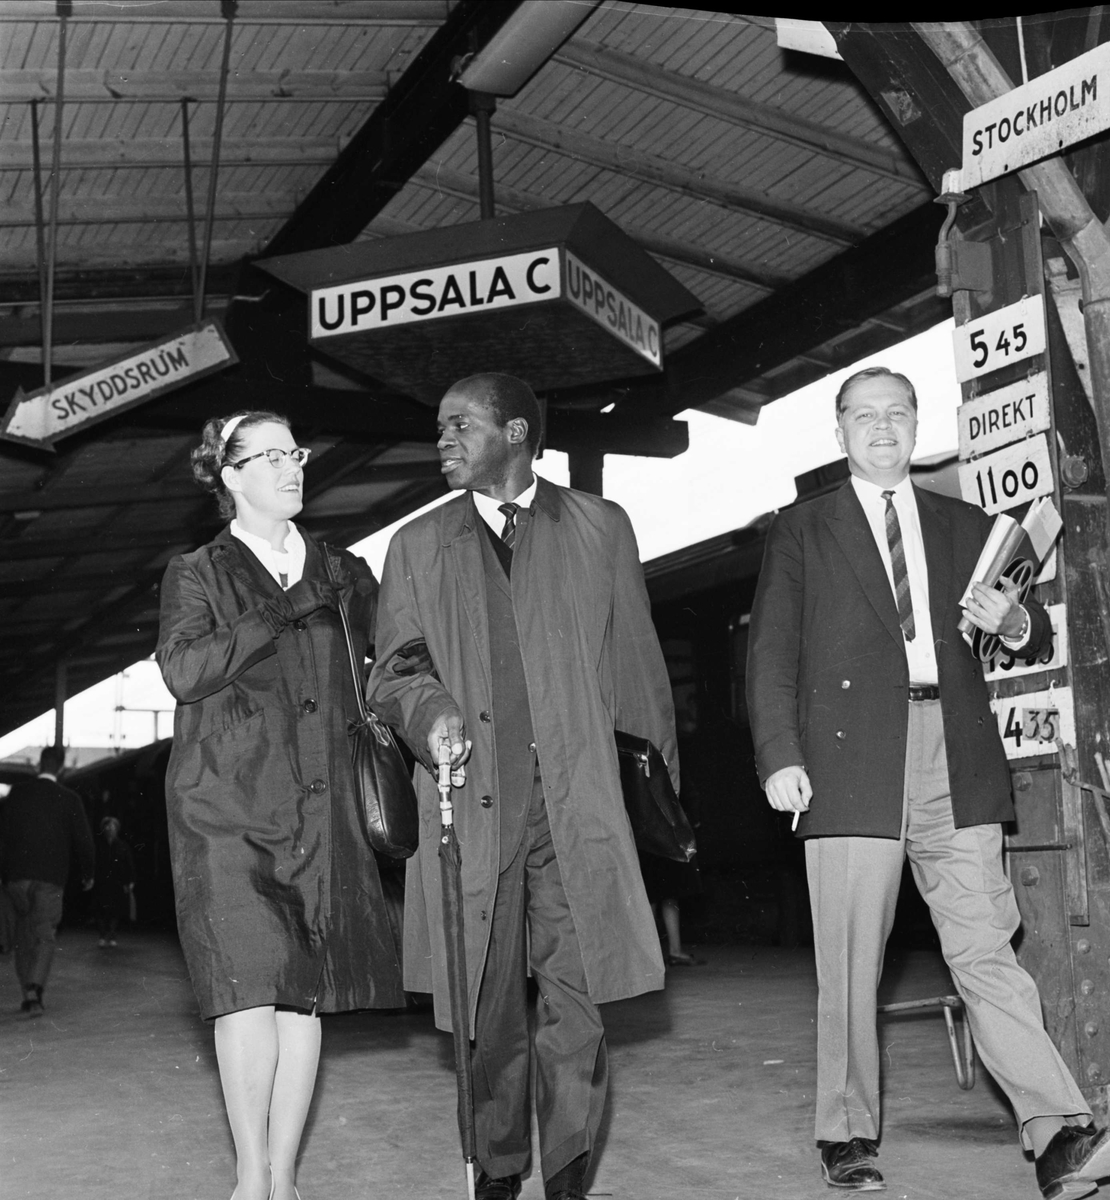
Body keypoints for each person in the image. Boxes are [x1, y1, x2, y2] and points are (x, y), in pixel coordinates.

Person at [746, 367, 1110, 1199]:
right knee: (850, 963)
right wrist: (780, 754)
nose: (881, 427)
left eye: (896, 413)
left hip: (952, 753)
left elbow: (1024, 639)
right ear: (838, 431)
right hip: (847, 759)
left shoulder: (967, 526)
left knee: (986, 951)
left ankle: (1058, 1132)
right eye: (863, 415)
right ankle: (844, 1134)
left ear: (916, 425)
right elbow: (771, 652)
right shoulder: (802, 529)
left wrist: (1017, 621)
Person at [368, 372, 677, 1200]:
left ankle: (568, 1180)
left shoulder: (597, 527)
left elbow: (637, 669)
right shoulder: (416, 545)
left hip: (576, 806)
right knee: (486, 1006)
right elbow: (394, 671)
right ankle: (498, 1175)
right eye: (438, 426)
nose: (443, 439)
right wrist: (430, 712)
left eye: (460, 425)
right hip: (472, 808)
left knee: (576, 1006)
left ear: (514, 432)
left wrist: (655, 794)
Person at [156, 410, 404, 1200]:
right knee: (245, 991)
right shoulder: (197, 571)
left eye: (294, 451)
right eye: (268, 457)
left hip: (322, 805)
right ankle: (250, 1178)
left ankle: (286, 1177)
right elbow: (186, 671)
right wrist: (277, 611)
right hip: (224, 807)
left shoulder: (344, 569)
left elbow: (394, 659)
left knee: (305, 997)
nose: (291, 467)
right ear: (229, 477)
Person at [0, 745, 94, 1017]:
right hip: (49, 880)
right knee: (44, 936)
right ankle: (34, 990)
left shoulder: (17, 793)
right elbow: (84, 841)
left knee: (22, 937)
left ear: (38, 765)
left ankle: (26, 991)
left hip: (17, 879)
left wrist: (5, 875)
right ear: (62, 767)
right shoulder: (69, 798)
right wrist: (89, 873)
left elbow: (3, 837)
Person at [93, 815, 136, 946]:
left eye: (112, 826)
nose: (109, 828)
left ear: (117, 829)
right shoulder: (98, 845)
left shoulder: (123, 845)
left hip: (117, 882)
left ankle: (112, 935)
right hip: (101, 882)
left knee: (115, 910)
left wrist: (131, 881)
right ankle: (101, 935)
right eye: (107, 826)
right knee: (100, 909)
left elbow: (129, 864)